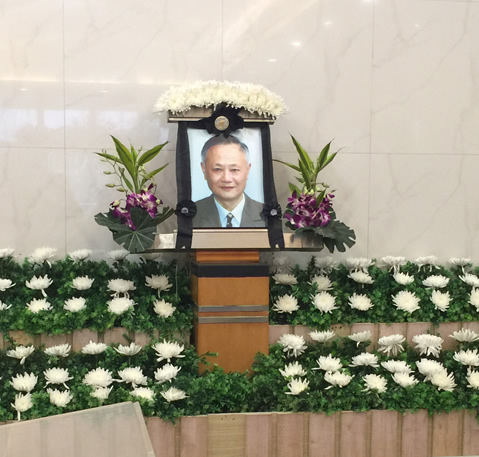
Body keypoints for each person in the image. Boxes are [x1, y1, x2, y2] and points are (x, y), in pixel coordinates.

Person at [193, 134, 266, 228]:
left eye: (234, 170)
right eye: (218, 169)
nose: (226, 179)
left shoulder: (267, 216)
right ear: (204, 170)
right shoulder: (190, 216)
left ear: (247, 170)